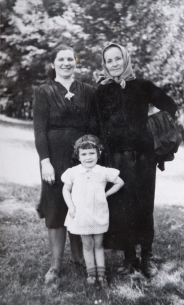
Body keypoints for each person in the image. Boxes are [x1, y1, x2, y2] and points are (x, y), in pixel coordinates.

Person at [91, 43, 177, 277]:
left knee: (143, 205)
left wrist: (154, 129)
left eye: (118, 58)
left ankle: (147, 258)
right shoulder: (101, 92)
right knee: (121, 207)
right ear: (104, 65)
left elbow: (170, 105)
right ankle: (129, 258)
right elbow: (96, 124)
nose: (115, 64)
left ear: (126, 59)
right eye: (109, 60)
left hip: (143, 157)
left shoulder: (142, 86)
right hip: (114, 159)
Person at [33, 45, 95, 284]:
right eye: (61, 59)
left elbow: (94, 127)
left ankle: (80, 260)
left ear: (76, 62)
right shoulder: (44, 91)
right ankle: (55, 266)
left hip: (82, 158)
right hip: (55, 159)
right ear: (54, 63)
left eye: (70, 59)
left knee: (80, 205)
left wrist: (91, 160)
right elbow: (40, 129)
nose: (66, 63)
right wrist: (45, 161)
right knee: (56, 207)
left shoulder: (88, 91)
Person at [61, 134, 124, 286]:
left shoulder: (102, 171)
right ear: (78, 156)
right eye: (84, 154)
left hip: (98, 213)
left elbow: (119, 182)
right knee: (87, 244)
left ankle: (101, 276)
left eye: (91, 153)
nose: (88, 157)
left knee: (99, 244)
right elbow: (65, 190)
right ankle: (91, 275)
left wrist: (106, 194)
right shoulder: (73, 172)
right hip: (82, 215)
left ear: (98, 154)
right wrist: (71, 206)